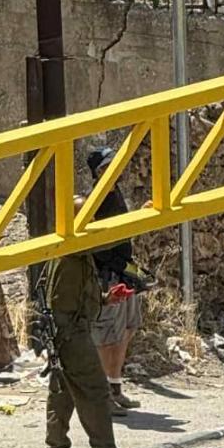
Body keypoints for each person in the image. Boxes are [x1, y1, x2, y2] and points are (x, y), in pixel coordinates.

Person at [40, 245, 135, 448]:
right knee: (95, 389)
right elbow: (62, 305)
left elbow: (79, 295)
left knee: (63, 393)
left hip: (68, 331)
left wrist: (105, 299)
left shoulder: (76, 255)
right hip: (72, 333)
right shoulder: (71, 257)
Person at [85, 146, 144, 415]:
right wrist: (118, 267)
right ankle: (101, 397)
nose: (115, 170)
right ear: (99, 172)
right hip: (108, 277)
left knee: (127, 329)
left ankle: (114, 387)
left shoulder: (115, 193)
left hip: (122, 273)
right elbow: (95, 245)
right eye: (108, 166)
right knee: (106, 337)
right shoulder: (95, 201)